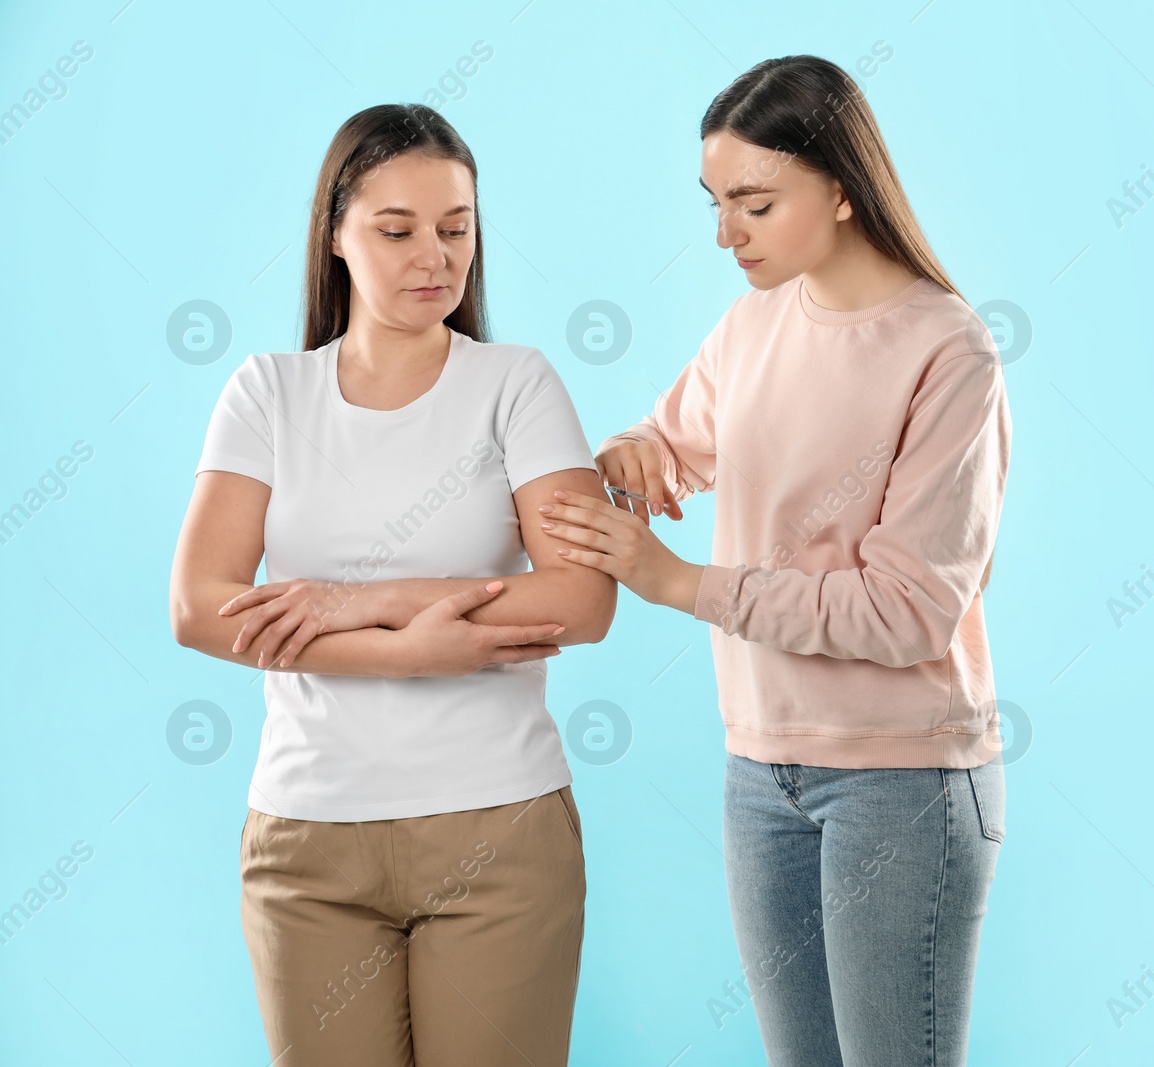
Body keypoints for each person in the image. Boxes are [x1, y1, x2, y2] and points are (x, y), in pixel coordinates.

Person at [538, 55, 1011, 1067]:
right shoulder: (752, 323)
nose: (724, 232)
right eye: (714, 203)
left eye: (753, 202)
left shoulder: (948, 352)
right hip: (761, 768)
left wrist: (679, 584)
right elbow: (678, 436)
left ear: (841, 188)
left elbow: (904, 612)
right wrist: (638, 450)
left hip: (904, 780)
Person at [168, 103, 615, 1067]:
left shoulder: (516, 382)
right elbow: (200, 607)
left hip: (499, 832)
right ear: (335, 233)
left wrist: (356, 600)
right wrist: (408, 655)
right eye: (397, 228)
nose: (436, 256)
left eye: (457, 228)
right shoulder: (267, 392)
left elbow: (582, 599)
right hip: (307, 843)